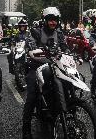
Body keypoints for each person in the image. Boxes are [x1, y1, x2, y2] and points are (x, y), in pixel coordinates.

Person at [22, 7, 68, 139]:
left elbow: (65, 47)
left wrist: (72, 55)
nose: (53, 22)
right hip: (36, 67)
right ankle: (25, 128)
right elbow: (30, 45)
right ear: (45, 20)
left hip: (55, 66)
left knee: (69, 81)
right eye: (50, 20)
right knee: (31, 96)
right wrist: (33, 51)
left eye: (55, 20)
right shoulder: (36, 32)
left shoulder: (59, 33)